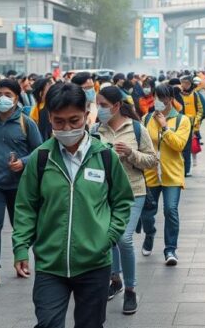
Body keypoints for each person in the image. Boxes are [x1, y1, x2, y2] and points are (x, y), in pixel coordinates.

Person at [12, 83, 133, 328]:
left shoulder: (105, 156)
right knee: (48, 323)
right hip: (50, 264)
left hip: (94, 263)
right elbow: (26, 206)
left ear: (87, 115)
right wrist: (21, 247)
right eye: (59, 122)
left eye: (74, 120)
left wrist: (107, 238)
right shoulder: (41, 158)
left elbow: (121, 202)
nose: (67, 128)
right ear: (50, 119)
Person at [0, 79, 43, 290]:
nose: (2, 98)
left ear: (16, 98)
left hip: (20, 184)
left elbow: (40, 151)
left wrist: (24, 162)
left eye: (8, 94)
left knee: (21, 226)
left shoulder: (26, 123)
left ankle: (21, 260)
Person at [94, 86, 158, 314]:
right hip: (103, 193)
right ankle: (115, 279)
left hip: (133, 192)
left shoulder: (137, 129)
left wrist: (131, 154)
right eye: (97, 104)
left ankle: (131, 289)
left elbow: (152, 160)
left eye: (103, 104)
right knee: (108, 237)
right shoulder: (95, 130)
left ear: (117, 105)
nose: (99, 109)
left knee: (124, 238)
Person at [139, 84, 191, 265]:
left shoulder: (182, 120)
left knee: (170, 210)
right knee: (146, 213)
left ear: (171, 99)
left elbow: (179, 145)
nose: (159, 102)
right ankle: (150, 234)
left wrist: (165, 127)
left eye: (163, 98)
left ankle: (170, 249)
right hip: (150, 173)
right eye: (156, 98)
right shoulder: (146, 119)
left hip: (172, 173)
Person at [179, 75, 205, 175]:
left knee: (187, 148)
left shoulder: (195, 95)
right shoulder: (178, 95)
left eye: (187, 83)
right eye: (183, 83)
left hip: (191, 126)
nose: (185, 85)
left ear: (191, 84)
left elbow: (200, 110)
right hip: (179, 124)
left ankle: (186, 170)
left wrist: (196, 122)